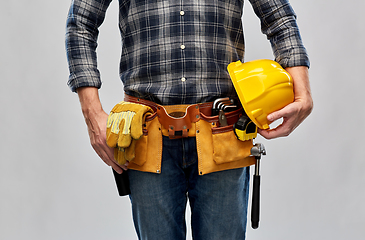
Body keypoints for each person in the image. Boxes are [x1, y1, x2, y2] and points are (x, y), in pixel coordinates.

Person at [65, 0, 313, 239]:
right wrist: (92, 114)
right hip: (146, 134)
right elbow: (81, 22)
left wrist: (303, 93)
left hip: (222, 132)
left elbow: (279, 17)